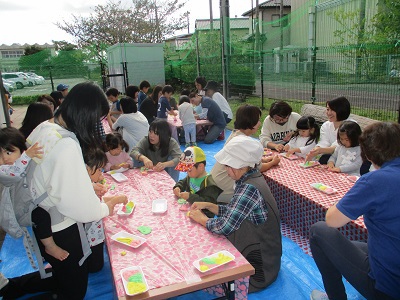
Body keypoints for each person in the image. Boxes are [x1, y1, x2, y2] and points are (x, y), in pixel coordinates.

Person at [0, 81, 128, 300]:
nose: (97, 125)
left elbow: (48, 178)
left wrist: (83, 186)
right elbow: (78, 207)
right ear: (86, 115)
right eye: (96, 119)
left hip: (41, 219)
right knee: (74, 288)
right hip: (61, 227)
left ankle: (15, 288)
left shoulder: (45, 126)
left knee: (61, 275)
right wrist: (107, 206)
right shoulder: (66, 144)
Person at [309, 122, 400, 300]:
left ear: (368, 155)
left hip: (387, 286)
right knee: (354, 244)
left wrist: (345, 201)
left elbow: (332, 220)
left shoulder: (376, 180)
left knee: (319, 232)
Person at [187, 135, 282, 293]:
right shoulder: (251, 178)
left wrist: (202, 219)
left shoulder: (249, 188)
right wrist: (211, 206)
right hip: (269, 257)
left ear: (237, 166)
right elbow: (237, 212)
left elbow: (224, 226)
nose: (225, 169)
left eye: (226, 165)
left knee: (203, 278)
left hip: (260, 270)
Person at [211, 104, 280, 203]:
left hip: (215, 183)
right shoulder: (244, 142)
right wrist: (273, 162)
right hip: (225, 189)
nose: (259, 123)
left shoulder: (235, 135)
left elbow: (245, 160)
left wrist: (265, 159)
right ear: (251, 123)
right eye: (258, 120)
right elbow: (259, 168)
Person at [306, 96, 352, 163]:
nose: (329, 113)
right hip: (332, 158)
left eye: (332, 110)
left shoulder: (351, 125)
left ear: (341, 110)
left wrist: (320, 150)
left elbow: (338, 146)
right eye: (328, 109)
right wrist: (315, 150)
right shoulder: (326, 125)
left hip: (347, 158)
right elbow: (324, 142)